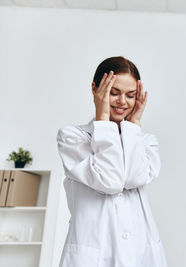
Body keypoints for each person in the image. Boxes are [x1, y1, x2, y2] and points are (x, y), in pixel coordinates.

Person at [57, 56, 167, 267]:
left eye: (130, 95)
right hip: (93, 254)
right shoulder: (72, 137)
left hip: (141, 251)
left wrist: (134, 124)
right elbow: (110, 182)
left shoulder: (145, 141)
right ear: (95, 89)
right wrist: (103, 118)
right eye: (113, 93)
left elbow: (134, 178)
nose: (122, 102)